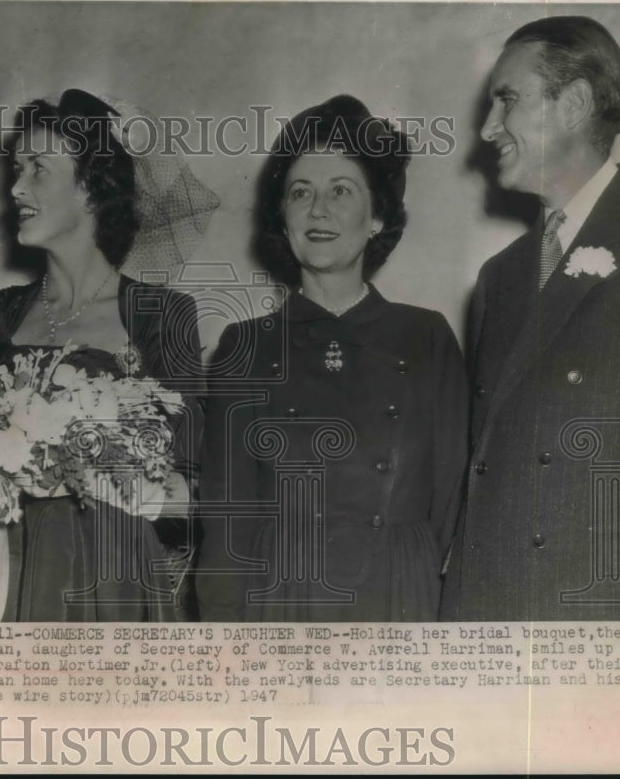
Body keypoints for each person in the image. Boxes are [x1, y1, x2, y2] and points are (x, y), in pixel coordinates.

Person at [440, 16, 620, 621]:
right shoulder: (499, 277)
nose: (487, 128)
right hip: (491, 623)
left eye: (508, 100)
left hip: (607, 625)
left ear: (575, 102)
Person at [195, 94, 468, 621]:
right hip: (285, 597)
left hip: (397, 595)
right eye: (301, 192)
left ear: (376, 217)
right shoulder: (244, 347)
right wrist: (222, 638)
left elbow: (451, 503)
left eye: (341, 191)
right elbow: (228, 522)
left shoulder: (426, 337)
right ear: (283, 217)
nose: (317, 209)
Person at [0, 88, 213, 621]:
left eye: (39, 168)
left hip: (107, 576)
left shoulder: (161, 315)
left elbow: (193, 488)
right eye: (16, 169)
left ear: (92, 188)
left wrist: (95, 468)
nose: (16, 187)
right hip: (0, 565)